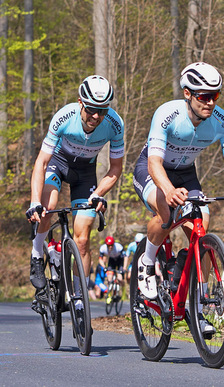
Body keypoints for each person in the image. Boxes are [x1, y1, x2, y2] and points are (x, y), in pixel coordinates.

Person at [133, 62, 224, 335]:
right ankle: (147, 263)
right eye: (203, 96)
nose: (210, 102)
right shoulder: (167, 114)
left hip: (186, 173)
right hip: (153, 169)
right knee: (166, 212)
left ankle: (197, 307)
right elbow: (154, 163)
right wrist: (168, 191)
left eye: (215, 96)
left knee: (202, 228)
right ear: (187, 93)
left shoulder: (223, 122)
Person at [25, 75, 124, 308]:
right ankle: (37, 254)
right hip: (58, 164)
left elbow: (116, 168)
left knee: (82, 238)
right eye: (91, 110)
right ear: (81, 102)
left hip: (86, 173)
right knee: (47, 207)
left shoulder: (114, 124)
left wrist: (99, 192)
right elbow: (41, 163)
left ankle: (79, 298)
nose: (96, 117)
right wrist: (33, 201)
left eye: (102, 110)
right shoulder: (64, 117)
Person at [99, 236, 127, 303]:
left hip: (120, 260)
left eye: (112, 245)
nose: (110, 247)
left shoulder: (118, 247)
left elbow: (125, 257)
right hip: (111, 261)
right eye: (109, 245)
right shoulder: (103, 248)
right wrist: (104, 267)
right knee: (109, 279)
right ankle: (109, 295)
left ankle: (123, 292)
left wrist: (124, 268)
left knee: (120, 278)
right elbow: (100, 259)